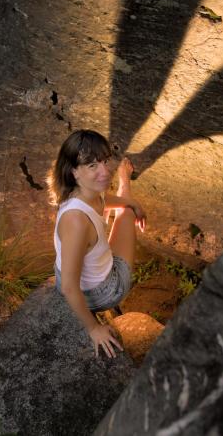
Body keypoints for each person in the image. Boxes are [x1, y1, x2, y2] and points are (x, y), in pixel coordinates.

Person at [48, 129, 146, 358]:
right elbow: (69, 287)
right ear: (74, 171)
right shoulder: (76, 222)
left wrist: (127, 202)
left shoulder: (78, 191)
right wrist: (94, 328)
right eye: (92, 166)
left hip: (83, 271)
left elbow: (102, 201)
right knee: (128, 214)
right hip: (101, 292)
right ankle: (126, 184)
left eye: (104, 161)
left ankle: (126, 193)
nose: (104, 171)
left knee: (124, 205)